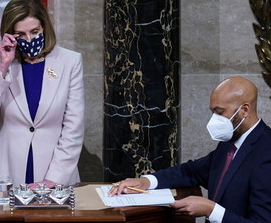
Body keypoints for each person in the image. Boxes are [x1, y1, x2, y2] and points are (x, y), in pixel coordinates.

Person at [110, 76, 271, 223]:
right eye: (212, 112)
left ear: (244, 110)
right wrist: (146, 181)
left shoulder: (266, 151)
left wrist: (211, 209)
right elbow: (191, 171)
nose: (215, 120)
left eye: (219, 112)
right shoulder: (230, 141)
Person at [0, 0, 84, 187]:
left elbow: (73, 128)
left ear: (44, 28)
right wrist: (3, 67)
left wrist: (53, 179)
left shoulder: (70, 61)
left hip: (55, 174)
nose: (29, 39)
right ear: (10, 35)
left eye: (34, 31)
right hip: (5, 173)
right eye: (21, 35)